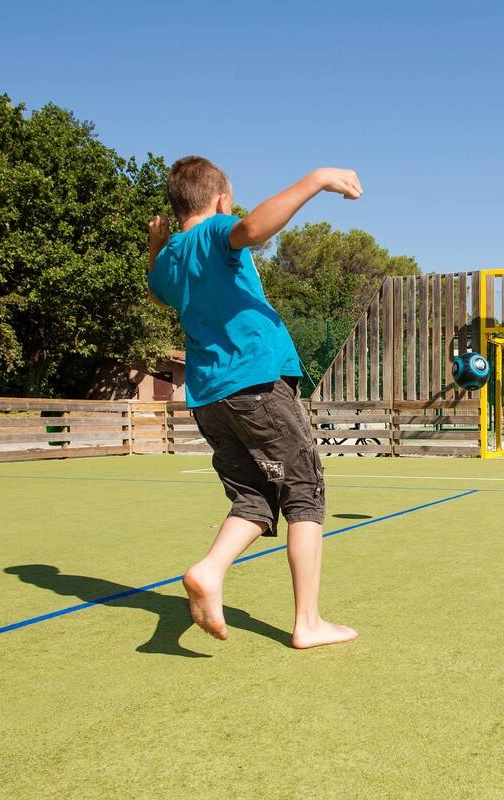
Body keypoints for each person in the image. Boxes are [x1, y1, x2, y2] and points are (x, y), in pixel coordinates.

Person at [146, 156, 362, 649]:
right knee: (304, 492)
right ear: (222, 200)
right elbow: (252, 228)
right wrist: (317, 180)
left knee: (255, 496)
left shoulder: (172, 256)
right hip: (256, 387)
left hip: (210, 398)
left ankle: (210, 568)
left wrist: (157, 245)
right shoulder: (215, 231)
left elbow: (159, 291)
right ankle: (307, 622)